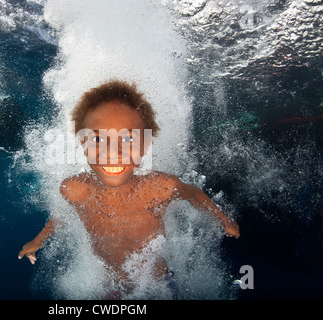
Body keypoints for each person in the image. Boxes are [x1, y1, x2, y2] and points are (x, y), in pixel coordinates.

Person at [19, 80, 240, 298]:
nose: (112, 152)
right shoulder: (75, 189)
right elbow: (66, 214)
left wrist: (223, 219)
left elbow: (194, 195)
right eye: (97, 139)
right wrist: (39, 240)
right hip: (110, 285)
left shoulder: (161, 188)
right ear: (83, 144)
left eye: (127, 139)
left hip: (156, 283)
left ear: (144, 146)